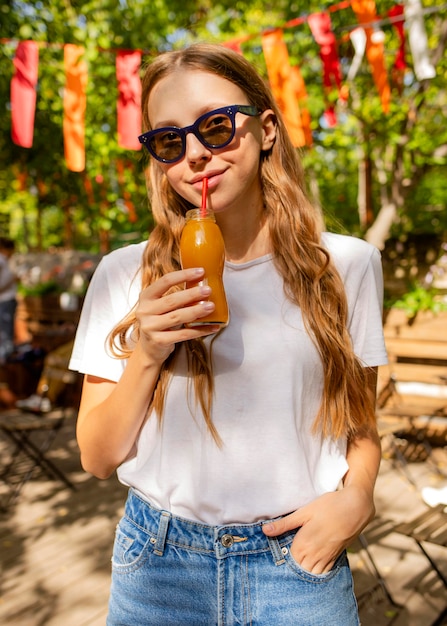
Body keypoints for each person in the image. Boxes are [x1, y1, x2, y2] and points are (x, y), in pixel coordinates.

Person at [70, 43, 388, 626]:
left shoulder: (347, 266)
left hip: (297, 563)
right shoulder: (124, 273)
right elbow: (96, 456)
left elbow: (358, 423)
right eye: (170, 139)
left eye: (216, 127)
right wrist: (147, 352)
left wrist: (357, 499)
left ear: (266, 128)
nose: (195, 154)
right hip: (160, 567)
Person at [0, 237, 18, 365]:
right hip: (4, 301)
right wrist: (12, 279)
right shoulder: (1, 261)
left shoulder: (4, 261)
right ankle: (5, 361)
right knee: (5, 334)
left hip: (6, 301)